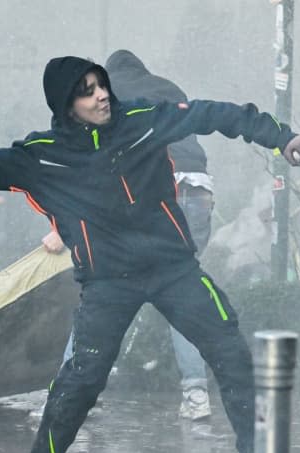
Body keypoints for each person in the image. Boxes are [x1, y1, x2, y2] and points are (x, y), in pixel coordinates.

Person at [0, 56, 300, 453]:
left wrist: (281, 136)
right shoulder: (42, 155)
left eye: (102, 86)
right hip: (108, 283)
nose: (101, 96)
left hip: (173, 269)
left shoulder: (141, 120)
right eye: (87, 91)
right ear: (66, 105)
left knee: (231, 353)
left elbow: (213, 113)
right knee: (80, 382)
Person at [43, 49, 220, 421]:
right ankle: (196, 394)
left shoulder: (103, 97)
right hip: (198, 193)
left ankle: (70, 394)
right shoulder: (166, 87)